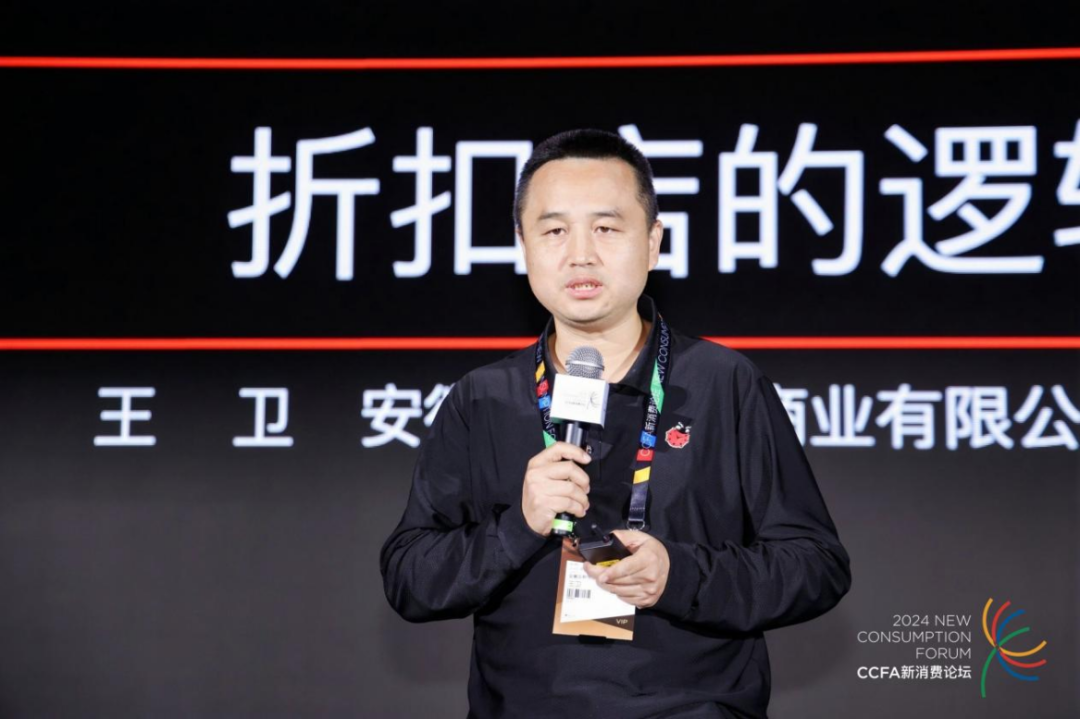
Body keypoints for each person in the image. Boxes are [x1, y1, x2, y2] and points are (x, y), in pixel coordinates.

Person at [380, 129, 851, 719]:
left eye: (606, 228)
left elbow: (815, 565)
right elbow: (410, 580)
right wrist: (517, 526)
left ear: (653, 243)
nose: (580, 254)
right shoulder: (482, 398)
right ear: (523, 246)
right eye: (554, 231)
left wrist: (679, 575)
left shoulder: (722, 383)